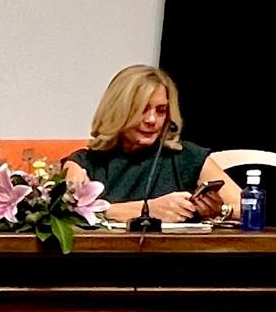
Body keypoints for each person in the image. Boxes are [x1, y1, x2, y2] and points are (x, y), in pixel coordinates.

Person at [64, 64, 240, 225]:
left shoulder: (187, 157)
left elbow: (246, 207)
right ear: (118, 111)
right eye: (142, 109)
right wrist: (147, 210)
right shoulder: (85, 163)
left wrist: (221, 211)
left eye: (161, 111)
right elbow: (66, 212)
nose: (152, 120)